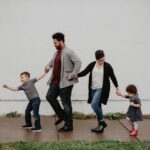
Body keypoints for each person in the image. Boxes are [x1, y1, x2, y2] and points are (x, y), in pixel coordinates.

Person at [45, 32, 81, 132]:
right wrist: (48, 66)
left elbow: (78, 62)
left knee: (66, 104)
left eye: (55, 43)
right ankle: (61, 115)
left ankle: (69, 126)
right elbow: (52, 61)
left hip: (65, 83)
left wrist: (73, 74)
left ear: (61, 41)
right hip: (55, 81)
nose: (54, 45)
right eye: (54, 42)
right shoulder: (56, 53)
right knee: (49, 97)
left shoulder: (68, 52)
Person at [78, 50, 121, 133]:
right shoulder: (92, 65)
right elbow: (84, 72)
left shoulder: (107, 66)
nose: (102, 61)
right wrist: (75, 75)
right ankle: (100, 127)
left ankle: (102, 121)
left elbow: (113, 77)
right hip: (92, 89)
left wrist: (117, 88)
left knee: (94, 105)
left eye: (103, 59)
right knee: (98, 106)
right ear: (96, 59)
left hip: (101, 89)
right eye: (100, 60)